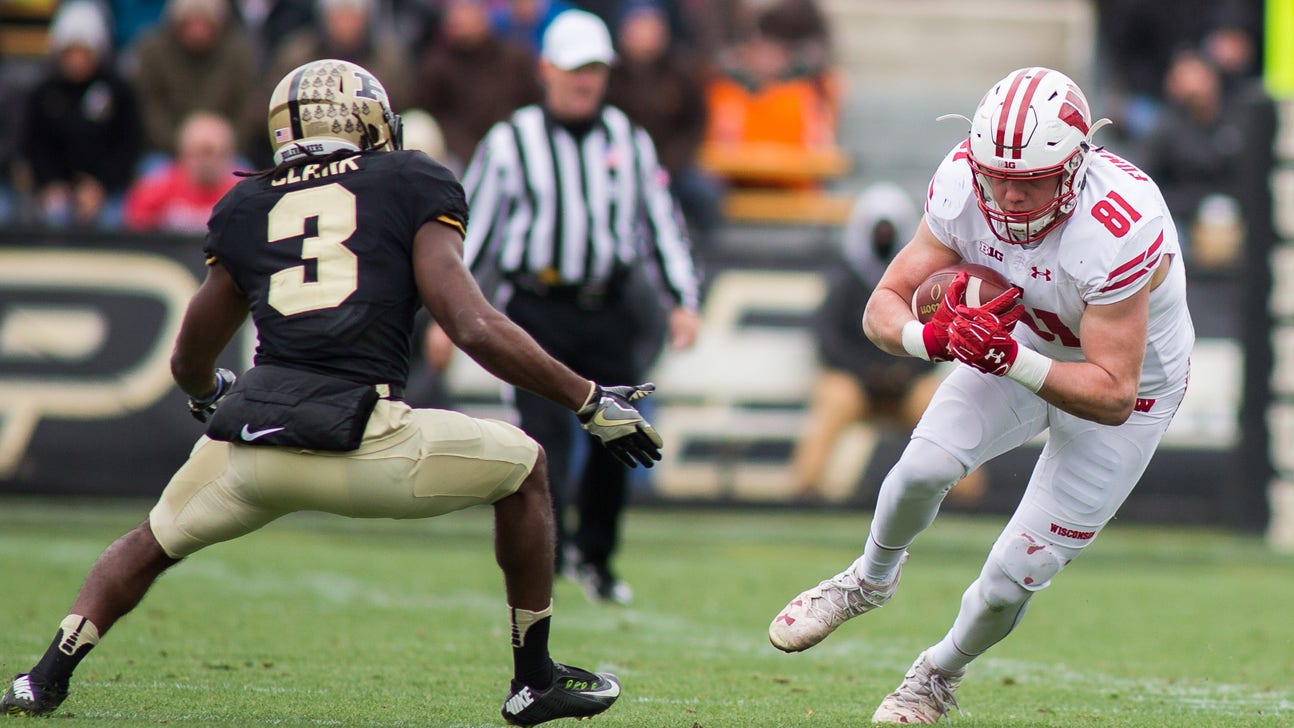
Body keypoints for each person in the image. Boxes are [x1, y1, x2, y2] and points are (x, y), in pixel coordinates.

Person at [1, 58, 666, 727]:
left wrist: (209, 398)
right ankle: (534, 681)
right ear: (366, 119)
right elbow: (472, 323)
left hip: (250, 443)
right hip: (364, 441)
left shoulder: (247, 201)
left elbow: (188, 358)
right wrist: (586, 399)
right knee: (527, 468)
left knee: (150, 541)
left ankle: (44, 678)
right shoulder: (411, 179)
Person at [768, 67, 1194, 723]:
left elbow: (1112, 392)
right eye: (999, 178)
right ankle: (868, 578)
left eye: (1032, 182)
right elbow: (881, 307)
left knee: (1012, 575)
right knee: (921, 467)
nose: (1011, 197)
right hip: (1018, 347)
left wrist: (1009, 357)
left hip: (1129, 393)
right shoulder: (964, 184)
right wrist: (931, 341)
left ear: (1075, 166)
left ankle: (937, 673)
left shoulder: (1119, 225)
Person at [456, 9, 701, 605]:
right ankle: (549, 561)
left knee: (618, 437)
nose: (585, 80)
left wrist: (681, 299)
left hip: (607, 307)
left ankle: (596, 558)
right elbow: (474, 232)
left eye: (594, 68)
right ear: (546, 70)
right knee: (542, 443)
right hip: (535, 310)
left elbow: (659, 225)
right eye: (574, 68)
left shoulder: (629, 139)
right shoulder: (512, 141)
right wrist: (454, 311)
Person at [789, 183, 984, 506]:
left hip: (906, 385)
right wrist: (866, 371)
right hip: (855, 384)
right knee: (834, 399)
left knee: (942, 406)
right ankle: (804, 492)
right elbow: (828, 339)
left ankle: (968, 498)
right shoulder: (845, 280)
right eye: (876, 229)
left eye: (888, 229)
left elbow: (938, 333)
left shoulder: (923, 281)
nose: (882, 236)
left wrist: (905, 371)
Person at [19, 0, 142, 228]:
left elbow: (127, 144)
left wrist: (102, 186)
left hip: (108, 189)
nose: (77, 60)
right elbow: (35, 144)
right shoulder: (45, 92)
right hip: (57, 188)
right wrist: (51, 183)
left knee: (113, 220)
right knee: (53, 218)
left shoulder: (117, 90)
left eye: (83, 52)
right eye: (70, 52)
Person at [412, 0, 541, 174]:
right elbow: (424, 115)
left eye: (469, 14)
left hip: (513, 148)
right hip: (456, 158)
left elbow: (535, 105)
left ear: (484, 18)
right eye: (456, 16)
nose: (462, 22)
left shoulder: (515, 60)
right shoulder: (436, 67)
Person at [128, 0, 257, 159]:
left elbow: (245, 107)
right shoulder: (153, 52)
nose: (197, 31)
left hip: (225, 150)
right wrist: (182, 144)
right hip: (167, 151)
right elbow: (148, 107)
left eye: (204, 23)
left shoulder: (238, 52)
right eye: (191, 23)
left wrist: (221, 142)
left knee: (245, 176)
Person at [122, 111, 240, 232]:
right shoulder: (155, 188)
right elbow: (135, 230)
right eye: (203, 152)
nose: (209, 162)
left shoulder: (244, 194)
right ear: (184, 152)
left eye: (218, 153)